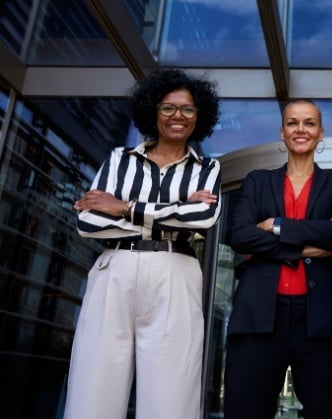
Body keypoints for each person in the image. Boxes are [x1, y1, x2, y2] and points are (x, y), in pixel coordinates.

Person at [66, 68, 221, 419]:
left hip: (175, 269)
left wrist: (122, 207)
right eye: (168, 107)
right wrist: (177, 208)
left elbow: (202, 219)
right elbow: (87, 220)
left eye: (188, 109)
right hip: (114, 268)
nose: (177, 116)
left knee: (172, 392)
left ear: (200, 116)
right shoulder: (120, 159)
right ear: (153, 110)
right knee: (94, 380)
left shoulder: (207, 167)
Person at [225, 99, 332, 419]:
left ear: (321, 133)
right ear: (282, 132)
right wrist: (305, 247)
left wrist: (276, 226)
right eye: (293, 122)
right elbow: (239, 235)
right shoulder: (257, 180)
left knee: (329, 410)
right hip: (259, 314)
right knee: (246, 410)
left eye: (309, 123)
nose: (301, 129)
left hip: (322, 318)